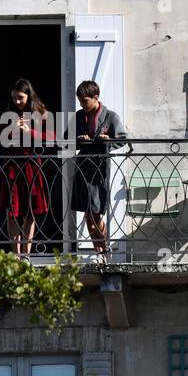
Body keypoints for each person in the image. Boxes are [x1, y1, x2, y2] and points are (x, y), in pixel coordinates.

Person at [0, 78, 56, 257]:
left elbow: (51, 137)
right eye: (14, 98)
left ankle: (26, 255)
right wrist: (12, 129)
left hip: (31, 167)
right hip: (12, 167)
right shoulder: (8, 114)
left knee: (30, 212)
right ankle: (16, 255)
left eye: (20, 97)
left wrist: (30, 132)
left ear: (29, 95)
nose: (17, 102)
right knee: (12, 213)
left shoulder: (41, 112)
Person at [70, 80, 127, 258]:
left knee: (95, 211)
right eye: (80, 101)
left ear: (96, 97)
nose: (81, 104)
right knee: (89, 212)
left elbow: (122, 138)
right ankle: (100, 252)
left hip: (100, 169)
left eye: (85, 100)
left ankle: (103, 250)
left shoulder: (110, 116)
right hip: (83, 167)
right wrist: (78, 139)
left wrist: (107, 141)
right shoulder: (79, 116)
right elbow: (66, 138)